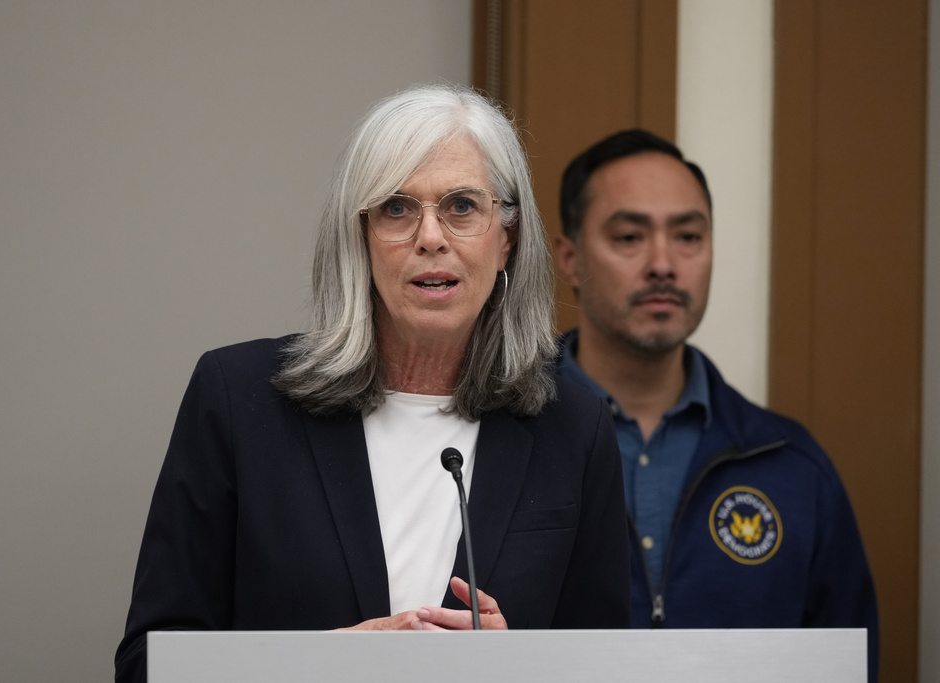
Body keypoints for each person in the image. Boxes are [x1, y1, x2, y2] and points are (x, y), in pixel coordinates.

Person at [114, 84, 631, 682]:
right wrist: (327, 663)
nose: (430, 237)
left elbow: (605, 667)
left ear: (507, 238)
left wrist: (518, 668)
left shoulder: (574, 426)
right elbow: (148, 664)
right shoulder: (237, 401)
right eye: (396, 208)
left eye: (462, 206)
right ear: (359, 237)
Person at [553, 130, 879, 678]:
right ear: (570, 259)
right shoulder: (494, 439)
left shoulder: (791, 466)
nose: (663, 263)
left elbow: (849, 662)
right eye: (630, 236)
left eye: (688, 236)